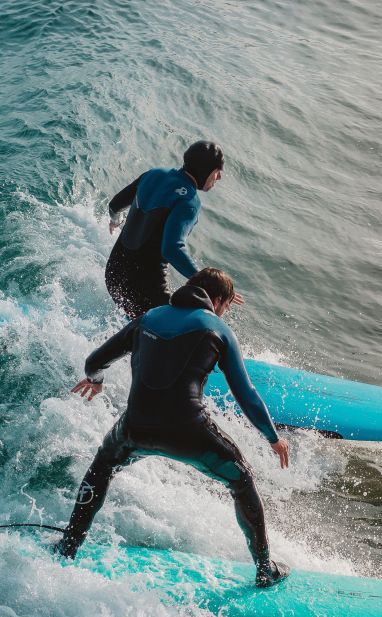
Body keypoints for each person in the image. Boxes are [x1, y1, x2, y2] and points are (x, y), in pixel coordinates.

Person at [53, 268, 290, 587]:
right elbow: (244, 392)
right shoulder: (216, 328)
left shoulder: (148, 318)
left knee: (102, 466)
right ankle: (264, 569)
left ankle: (69, 546)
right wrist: (273, 438)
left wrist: (96, 382)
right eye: (228, 307)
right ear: (217, 300)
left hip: (135, 428)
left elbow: (94, 361)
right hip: (190, 432)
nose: (226, 314)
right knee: (242, 480)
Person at [105, 141, 245, 319]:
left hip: (114, 274)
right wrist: (211, 285)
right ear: (205, 171)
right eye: (216, 171)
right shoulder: (189, 202)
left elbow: (115, 205)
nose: (219, 177)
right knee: (179, 330)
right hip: (142, 288)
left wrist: (115, 220)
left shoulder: (154, 174)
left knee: (140, 326)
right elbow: (171, 249)